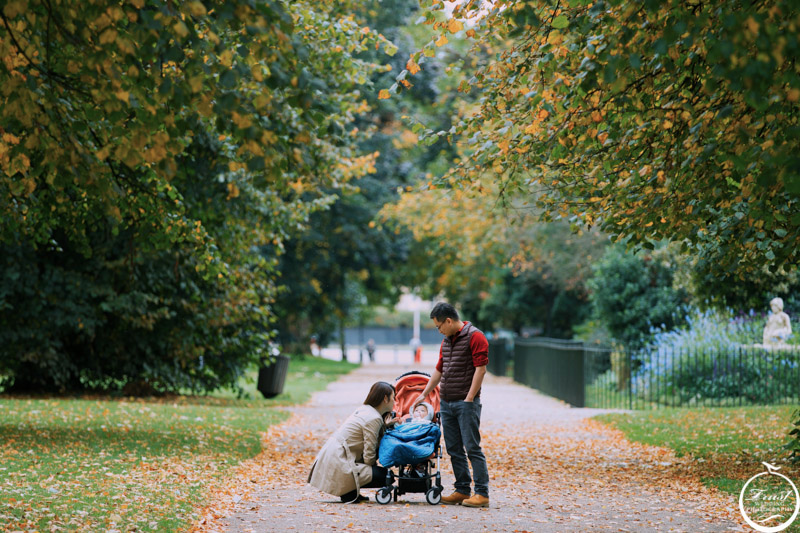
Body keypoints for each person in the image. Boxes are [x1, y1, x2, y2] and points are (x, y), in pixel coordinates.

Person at [412, 302, 490, 508]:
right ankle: (462, 489)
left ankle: (482, 494)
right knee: (454, 448)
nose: (439, 331)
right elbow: (439, 370)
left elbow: (480, 369)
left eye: (439, 326)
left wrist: (470, 398)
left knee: (472, 447)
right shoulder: (446, 341)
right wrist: (425, 394)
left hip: (466, 403)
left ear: (448, 320)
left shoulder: (476, 337)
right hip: (446, 403)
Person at [308, 381, 400, 503]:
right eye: (393, 397)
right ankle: (348, 489)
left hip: (333, 459)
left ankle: (350, 490)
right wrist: (374, 470)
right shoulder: (374, 418)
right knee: (386, 476)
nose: (395, 401)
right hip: (339, 463)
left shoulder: (365, 410)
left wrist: (385, 426)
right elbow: (369, 455)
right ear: (385, 398)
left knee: (378, 472)